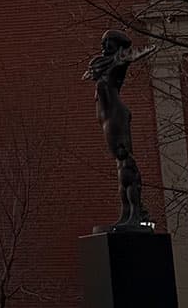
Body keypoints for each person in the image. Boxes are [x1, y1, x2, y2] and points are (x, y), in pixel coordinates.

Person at [82, 29, 155, 229]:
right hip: (106, 119)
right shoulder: (102, 64)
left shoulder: (118, 62)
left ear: (118, 45)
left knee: (125, 161)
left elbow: (130, 57)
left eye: (109, 43)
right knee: (119, 164)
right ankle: (126, 214)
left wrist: (134, 53)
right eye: (103, 43)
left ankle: (136, 212)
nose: (104, 47)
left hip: (116, 116)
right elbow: (91, 72)